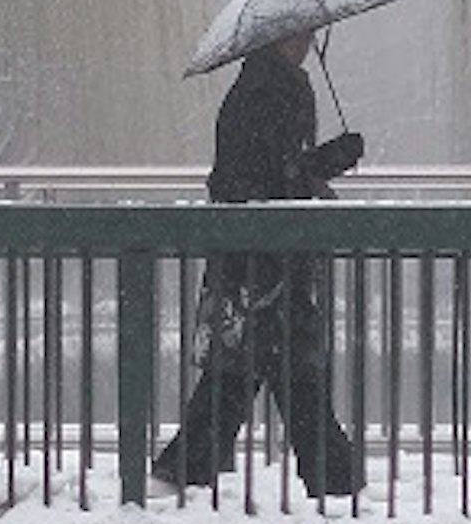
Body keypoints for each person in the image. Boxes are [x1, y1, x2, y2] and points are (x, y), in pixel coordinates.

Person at [153, 27, 364, 496]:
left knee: (244, 371)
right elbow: (281, 174)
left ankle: (185, 469)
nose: (309, 43)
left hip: (250, 263)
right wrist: (329, 161)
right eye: (303, 35)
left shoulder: (254, 88)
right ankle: (334, 481)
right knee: (285, 371)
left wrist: (318, 165)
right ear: (284, 40)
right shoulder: (278, 89)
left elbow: (268, 172)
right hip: (270, 262)